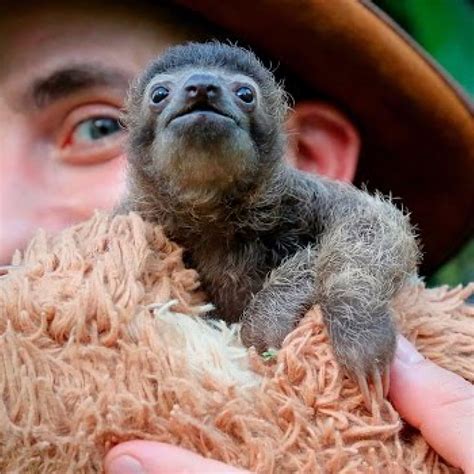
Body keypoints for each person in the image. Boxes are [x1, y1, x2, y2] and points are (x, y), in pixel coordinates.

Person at [0, 1, 473, 472]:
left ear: (296, 149)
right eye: (162, 96)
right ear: (140, 142)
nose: (201, 93)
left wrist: (349, 299)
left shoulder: (309, 199)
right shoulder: (120, 240)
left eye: (96, 126)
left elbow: (376, 225)